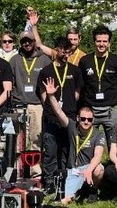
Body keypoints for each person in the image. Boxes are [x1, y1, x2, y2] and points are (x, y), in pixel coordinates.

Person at [42, 77, 106, 205]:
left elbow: (98, 156)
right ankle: (75, 192)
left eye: (89, 119)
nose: (86, 122)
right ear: (78, 118)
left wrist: (88, 170)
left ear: (93, 120)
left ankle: (92, 190)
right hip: (73, 170)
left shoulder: (98, 134)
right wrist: (51, 96)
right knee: (63, 200)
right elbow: (59, 112)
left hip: (88, 168)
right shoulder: (72, 127)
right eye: (83, 119)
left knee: (99, 169)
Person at [36, 37, 83, 192]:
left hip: (69, 116)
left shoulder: (75, 70)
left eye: (69, 52)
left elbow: (77, 93)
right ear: (56, 50)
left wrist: (69, 105)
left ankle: (64, 178)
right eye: (63, 51)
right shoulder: (46, 71)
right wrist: (51, 108)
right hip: (51, 117)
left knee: (66, 149)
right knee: (50, 150)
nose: (66, 55)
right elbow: (43, 94)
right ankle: (50, 181)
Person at [78, 25, 117, 145]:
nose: (101, 44)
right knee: (87, 144)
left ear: (109, 43)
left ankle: (113, 159)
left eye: (105, 41)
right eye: (99, 41)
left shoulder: (116, 61)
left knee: (115, 144)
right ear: (94, 42)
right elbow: (81, 85)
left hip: (110, 110)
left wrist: (112, 98)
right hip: (90, 110)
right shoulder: (85, 61)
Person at [10, 31, 51, 163]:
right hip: (18, 105)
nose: (26, 44)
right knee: (17, 141)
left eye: (29, 41)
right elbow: (10, 82)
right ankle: (17, 169)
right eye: (24, 41)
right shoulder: (15, 60)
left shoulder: (44, 60)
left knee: (36, 139)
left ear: (34, 42)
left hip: (37, 105)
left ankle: (35, 170)